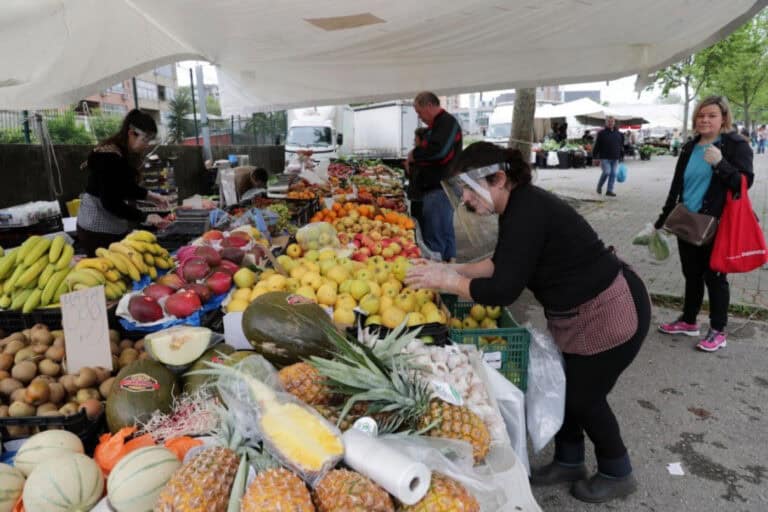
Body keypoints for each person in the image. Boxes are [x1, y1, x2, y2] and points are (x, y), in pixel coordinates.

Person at [405, 141, 651, 504]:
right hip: (579, 312)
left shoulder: (528, 210)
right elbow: (501, 263)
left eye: (468, 193)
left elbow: (503, 288)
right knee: (572, 387)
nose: (466, 202)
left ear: (499, 179)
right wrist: (450, 269)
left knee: (585, 397)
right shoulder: (518, 207)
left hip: (610, 310)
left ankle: (618, 470)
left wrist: (449, 282)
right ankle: (569, 461)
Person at [654, 96, 753, 351]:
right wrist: (663, 219)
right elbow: (677, 186)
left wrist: (720, 163)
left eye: (711, 115)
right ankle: (689, 321)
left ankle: (718, 330)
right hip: (688, 221)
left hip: (718, 224)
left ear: (723, 119)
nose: (705, 120)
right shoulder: (690, 146)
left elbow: (743, 184)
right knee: (692, 274)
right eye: (701, 115)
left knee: (715, 277)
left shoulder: (735, 145)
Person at [76, 109, 169, 256]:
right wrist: (145, 217)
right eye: (145, 139)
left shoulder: (122, 154)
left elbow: (123, 187)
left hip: (113, 223)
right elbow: (110, 201)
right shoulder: (108, 157)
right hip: (96, 229)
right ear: (131, 133)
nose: (146, 145)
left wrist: (149, 196)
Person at [408, 92, 462, 262]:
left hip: (440, 188)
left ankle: (438, 280)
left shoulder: (446, 123)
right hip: (438, 188)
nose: (419, 117)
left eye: (419, 112)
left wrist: (414, 155)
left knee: (435, 238)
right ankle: (449, 267)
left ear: (429, 106)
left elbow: (439, 152)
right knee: (444, 232)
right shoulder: (437, 126)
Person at [592, 117, 624, 196]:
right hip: (604, 157)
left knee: (613, 174)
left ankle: (609, 191)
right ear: (606, 123)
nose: (610, 123)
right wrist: (594, 157)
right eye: (608, 122)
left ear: (614, 123)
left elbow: (620, 145)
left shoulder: (619, 134)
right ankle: (599, 186)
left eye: (612, 121)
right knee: (607, 172)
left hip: (615, 157)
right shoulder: (601, 133)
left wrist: (621, 155)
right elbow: (597, 145)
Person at [405, 127, 429, 226]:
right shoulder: (422, 152)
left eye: (415, 139)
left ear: (421, 140)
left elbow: (413, 176)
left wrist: (408, 164)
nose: (414, 141)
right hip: (420, 195)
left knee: (420, 222)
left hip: (420, 196)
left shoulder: (419, 154)